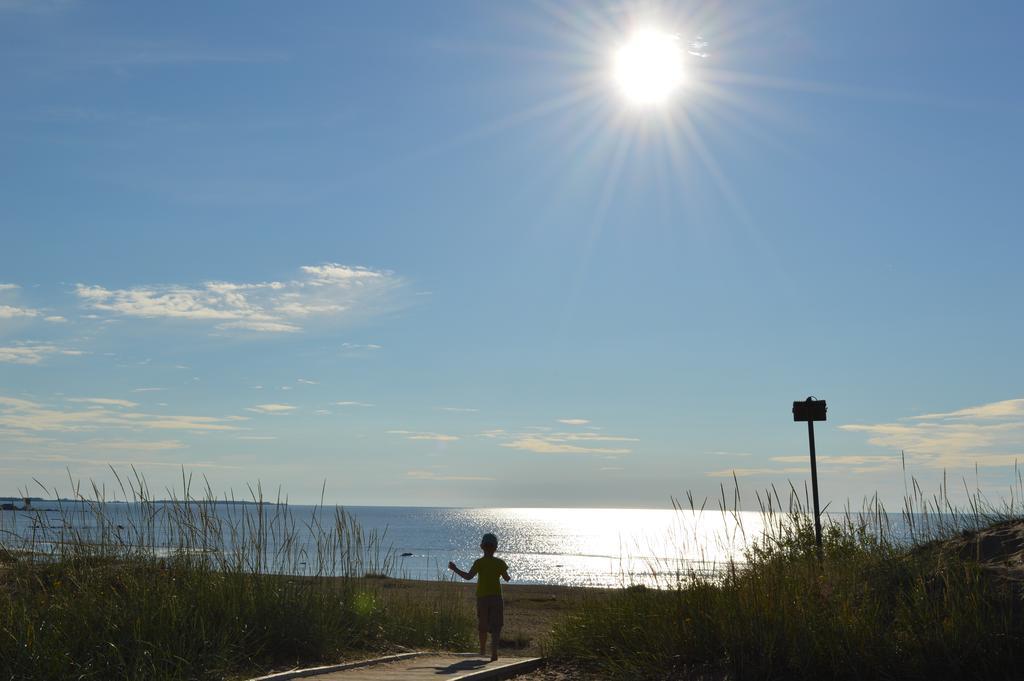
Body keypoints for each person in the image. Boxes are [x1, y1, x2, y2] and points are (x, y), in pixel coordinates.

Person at [448, 532, 510, 660]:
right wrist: (502, 574)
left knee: (483, 624)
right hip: (496, 597)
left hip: (482, 597)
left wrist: (455, 569)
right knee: (496, 625)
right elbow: (506, 578)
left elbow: (468, 577)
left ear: (482, 546)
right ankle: (494, 652)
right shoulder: (500, 562)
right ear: (495, 548)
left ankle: (482, 650)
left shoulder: (479, 562)